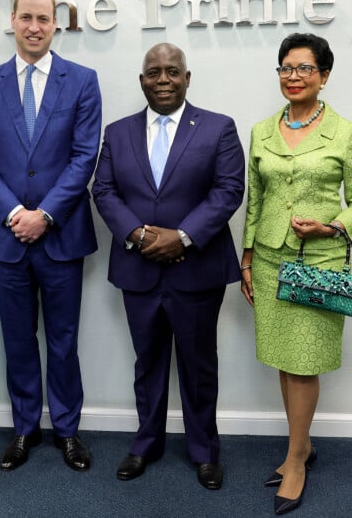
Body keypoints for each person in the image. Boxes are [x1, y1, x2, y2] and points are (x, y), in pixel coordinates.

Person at [92, 43, 245, 489]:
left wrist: (181, 236)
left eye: (172, 71)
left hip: (197, 268)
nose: (163, 79)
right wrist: (140, 235)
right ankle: (146, 443)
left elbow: (228, 190)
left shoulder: (218, 128)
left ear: (187, 77)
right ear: (142, 80)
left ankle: (204, 451)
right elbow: (104, 191)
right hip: (138, 268)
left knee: (199, 365)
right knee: (148, 362)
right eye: (154, 72)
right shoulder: (118, 133)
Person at [240, 33, 352, 515]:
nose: (292, 76)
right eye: (285, 68)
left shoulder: (345, 132)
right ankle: (303, 444)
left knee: (304, 363)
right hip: (271, 259)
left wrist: (331, 226)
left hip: (319, 263)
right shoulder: (261, 131)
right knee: (284, 359)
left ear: (323, 75)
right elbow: (254, 199)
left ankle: (296, 459)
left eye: (303, 68)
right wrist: (247, 258)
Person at [0, 0, 102, 472]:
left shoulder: (82, 80)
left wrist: (43, 214)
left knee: (63, 339)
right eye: (26, 17)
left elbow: (85, 156)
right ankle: (25, 428)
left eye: (43, 19)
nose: (34, 27)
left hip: (60, 235)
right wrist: (12, 214)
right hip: (8, 239)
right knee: (17, 339)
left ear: (56, 24)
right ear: (13, 19)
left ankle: (67, 430)